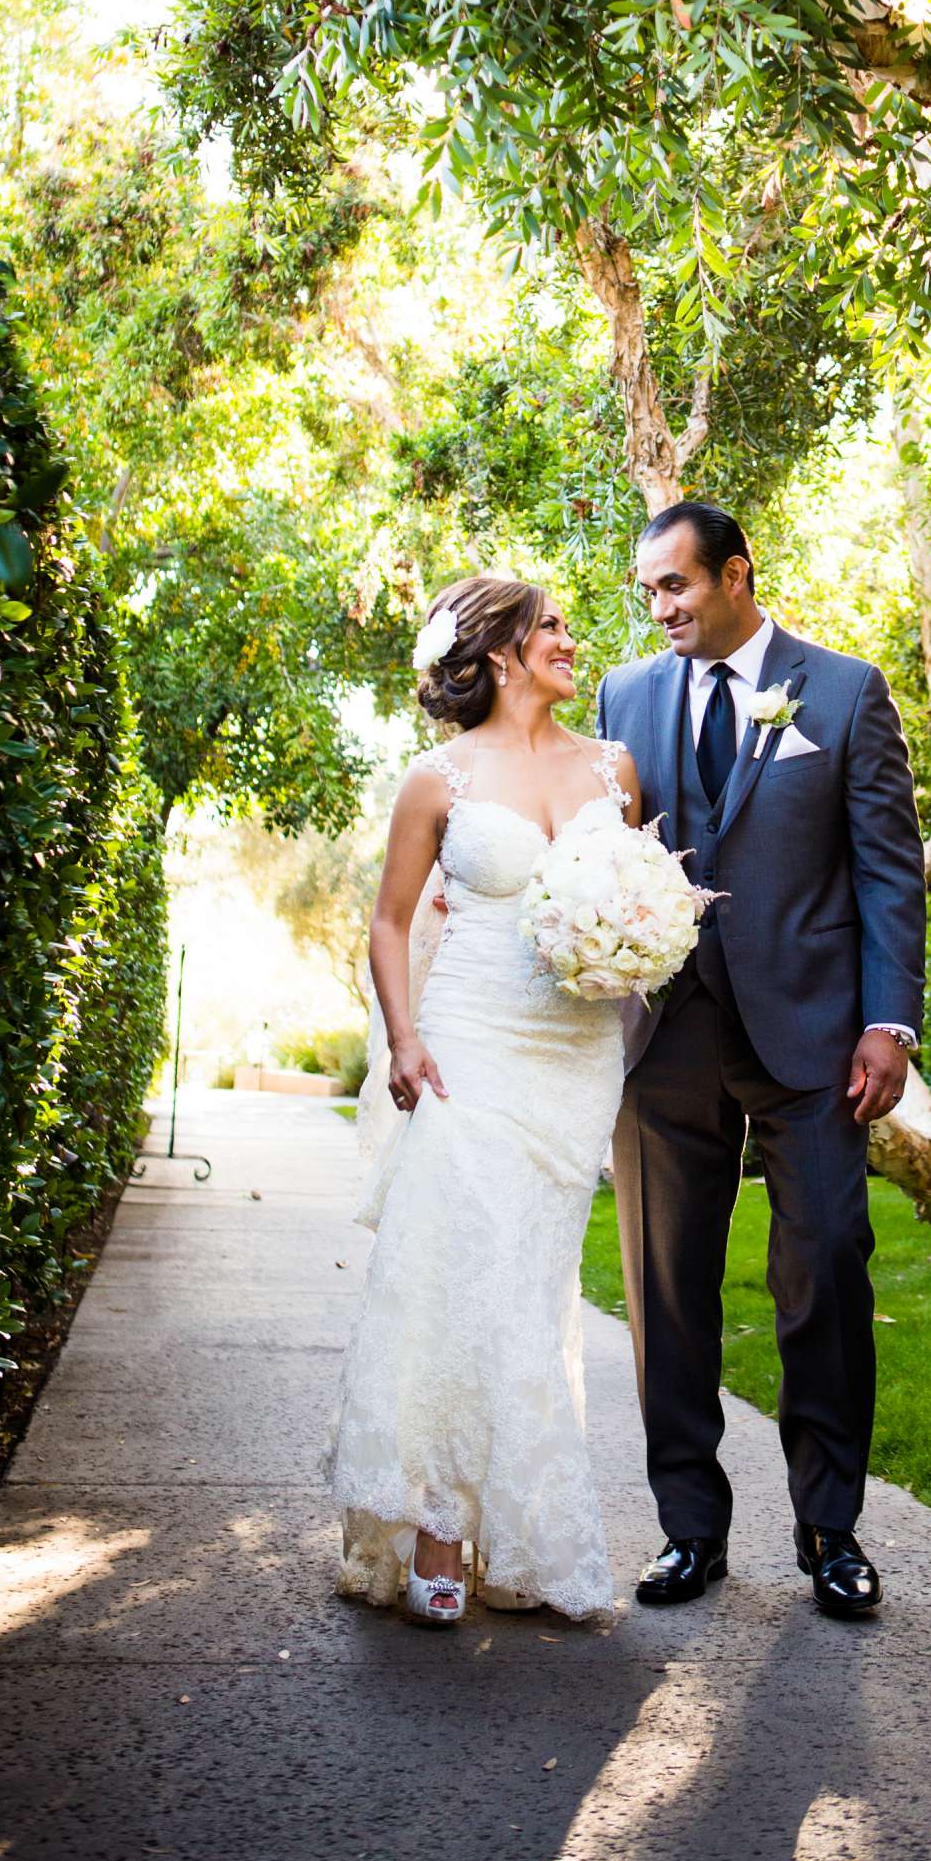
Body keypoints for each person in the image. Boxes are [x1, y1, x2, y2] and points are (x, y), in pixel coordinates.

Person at [595, 502, 926, 1620]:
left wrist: (890, 1021)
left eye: (676, 586)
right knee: (666, 1288)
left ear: (735, 575)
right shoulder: (623, 697)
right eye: (648, 592)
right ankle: (689, 1529)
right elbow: (601, 851)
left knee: (826, 1267)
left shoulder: (841, 691)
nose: (660, 609)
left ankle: (831, 1531)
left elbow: (886, 869)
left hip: (811, 1034)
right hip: (667, 1033)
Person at [321, 574, 643, 1626]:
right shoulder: (439, 779)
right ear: (500, 651)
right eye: (550, 625)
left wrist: (637, 940)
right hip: (467, 1044)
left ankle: (516, 1522)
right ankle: (435, 1527)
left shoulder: (613, 770)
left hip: (573, 1055)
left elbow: (633, 894)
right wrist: (405, 1040)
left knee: (531, 1288)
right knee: (460, 1277)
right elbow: (389, 920)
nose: (568, 639)